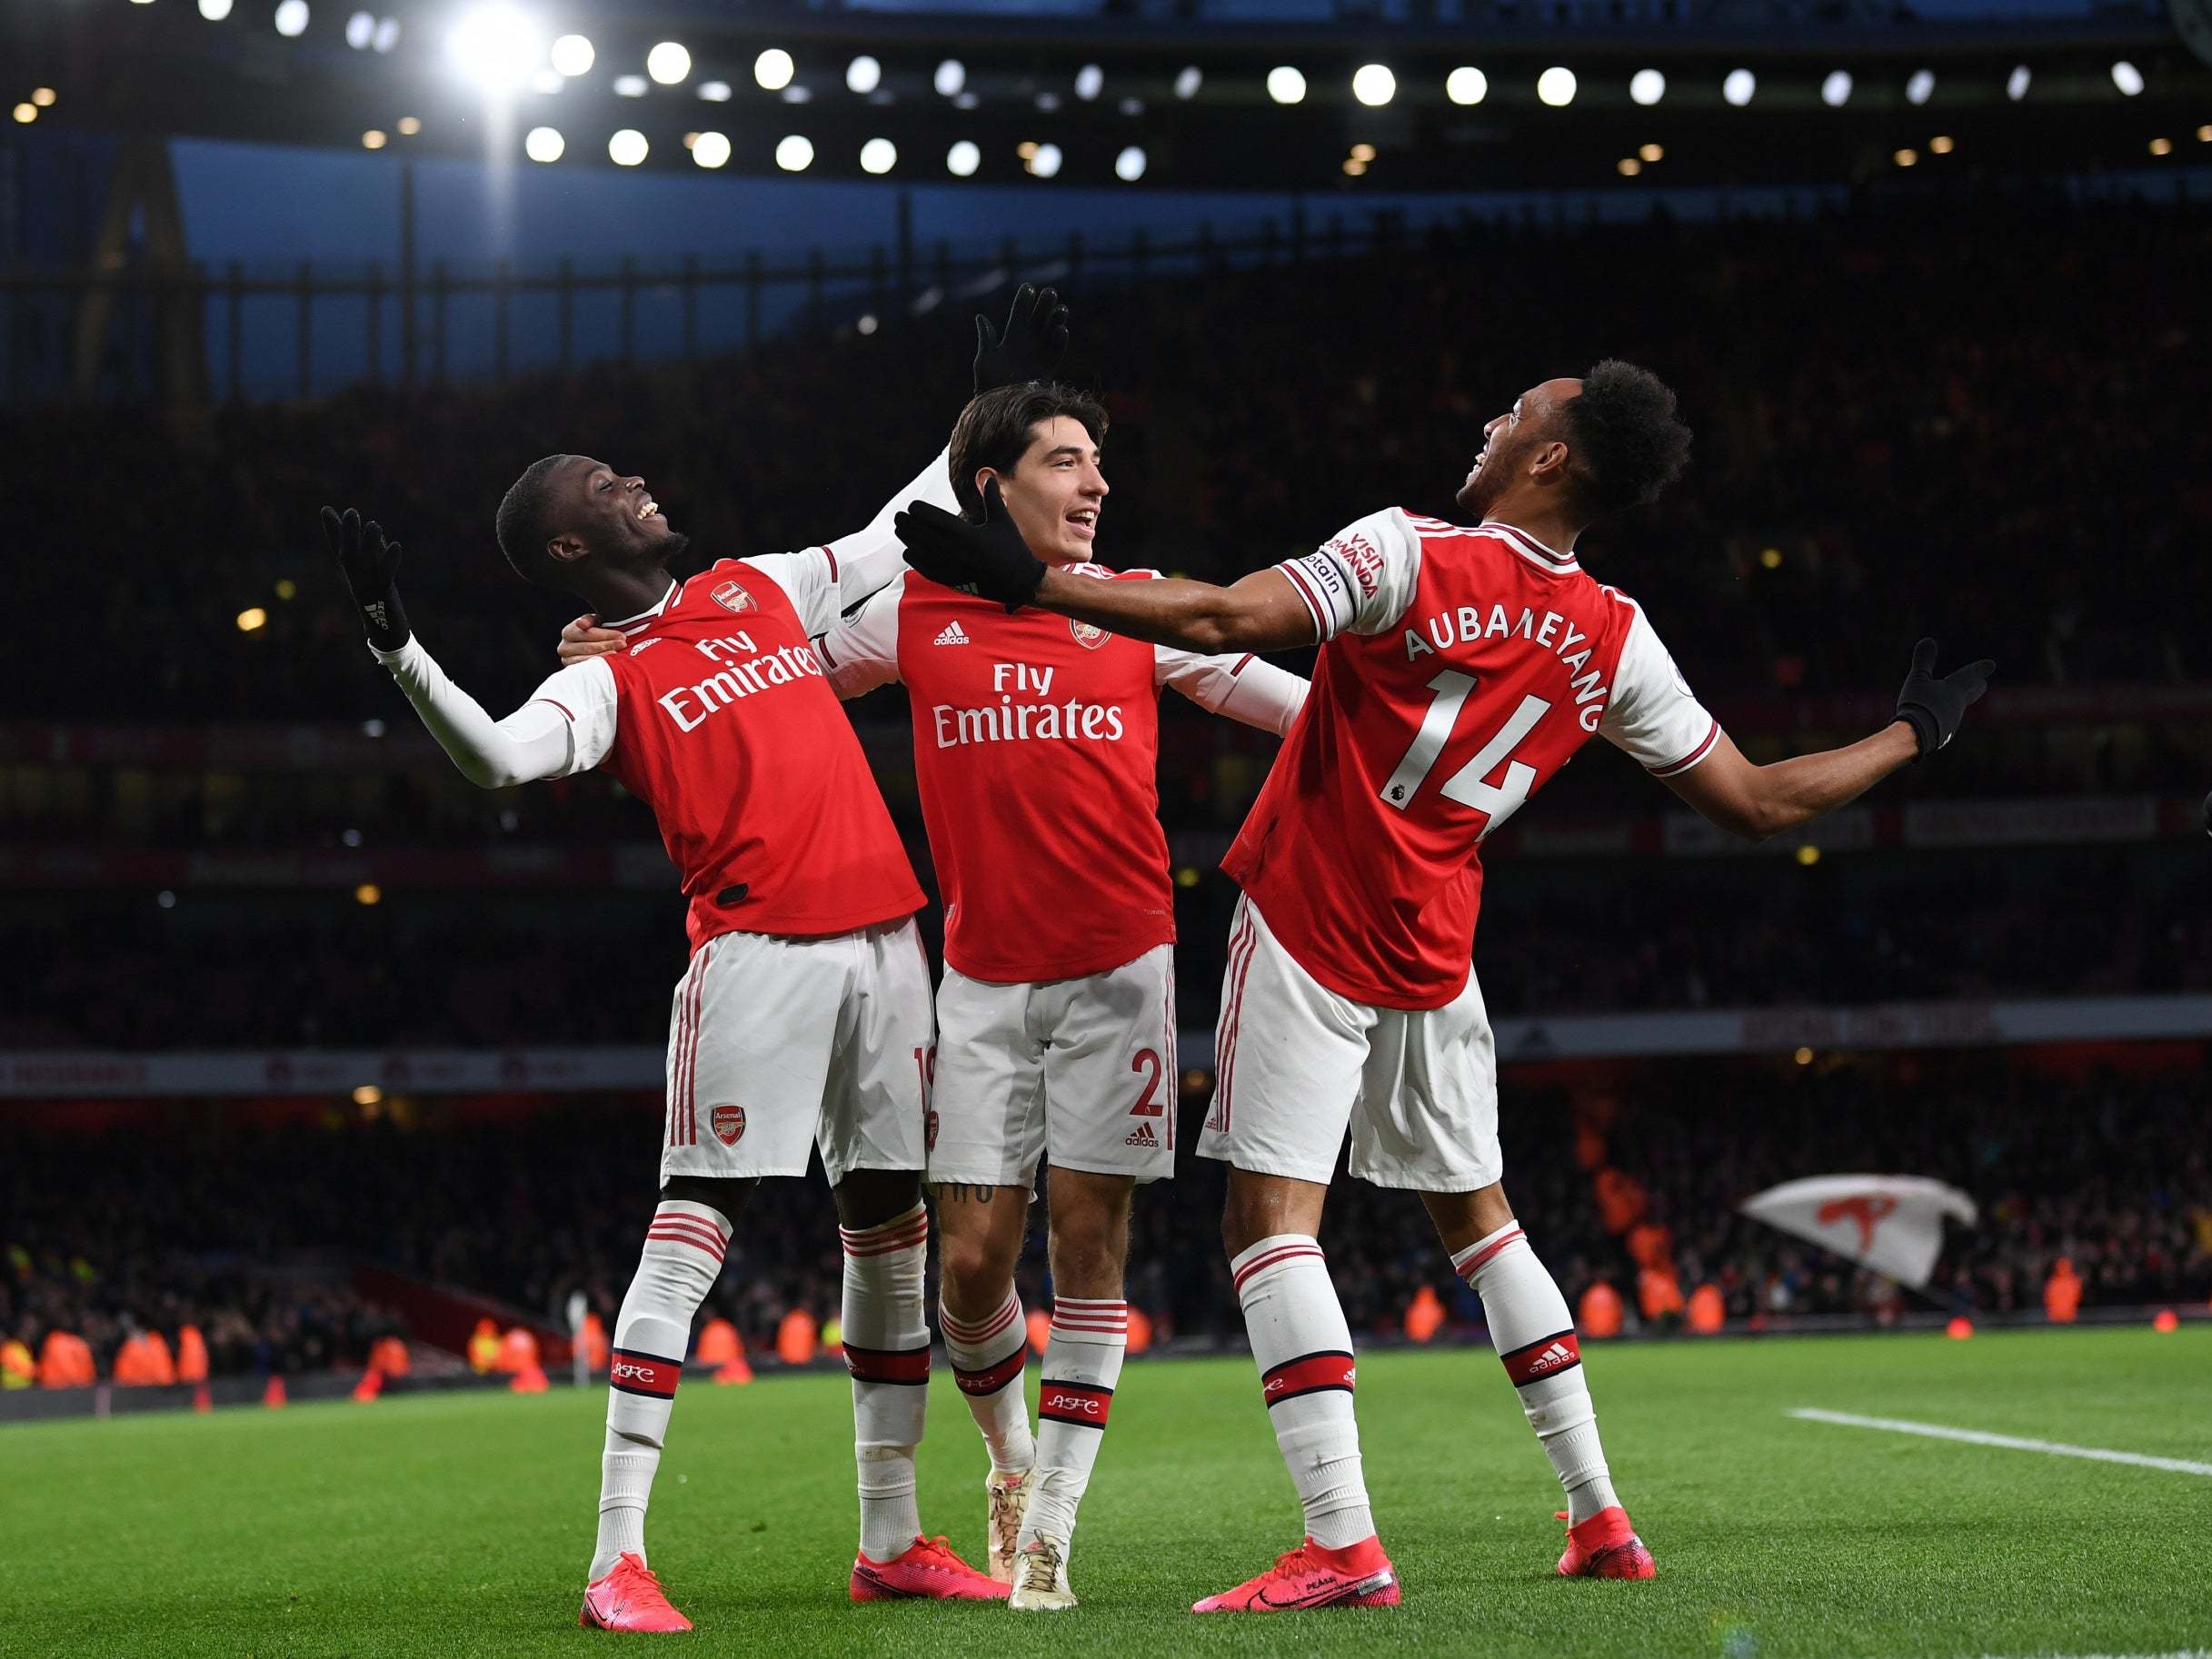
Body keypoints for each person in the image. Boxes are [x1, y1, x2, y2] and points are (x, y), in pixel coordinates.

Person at [897, 361, 1995, 1611]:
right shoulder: (1614, 635)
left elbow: (1221, 622)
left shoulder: (1403, 552)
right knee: (1482, 1221)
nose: (1488, 421)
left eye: (1514, 414)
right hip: (1434, 945)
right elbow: (1752, 800)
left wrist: (1030, 583)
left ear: (1549, 459)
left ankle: (1341, 1543)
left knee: (1268, 1226)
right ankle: (1599, 1513)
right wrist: (1912, 733)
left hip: (1312, 918)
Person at [317, 298, 1066, 1631]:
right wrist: (398, 646)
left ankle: (890, 1535)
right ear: (569, 543)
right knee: (691, 1238)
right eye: (607, 486)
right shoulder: (604, 678)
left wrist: (988, 405)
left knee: (888, 1236)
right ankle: (615, 1554)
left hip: (891, 944)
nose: (637, 483)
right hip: (756, 956)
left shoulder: (751, 585)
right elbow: (492, 756)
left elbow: (904, 515)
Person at [562, 379, 1306, 1611]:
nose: (1096, 483)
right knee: (965, 1265)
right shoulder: (915, 613)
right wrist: (621, 650)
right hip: (972, 985)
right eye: (1068, 460)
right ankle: (972, 1480)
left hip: (1121, 975)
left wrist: (1418, 746)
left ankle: (1032, 1507)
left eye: (1096, 463)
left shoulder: (1138, 609)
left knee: (1083, 1248)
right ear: (992, 487)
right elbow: (759, 671)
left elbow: (1299, 712)